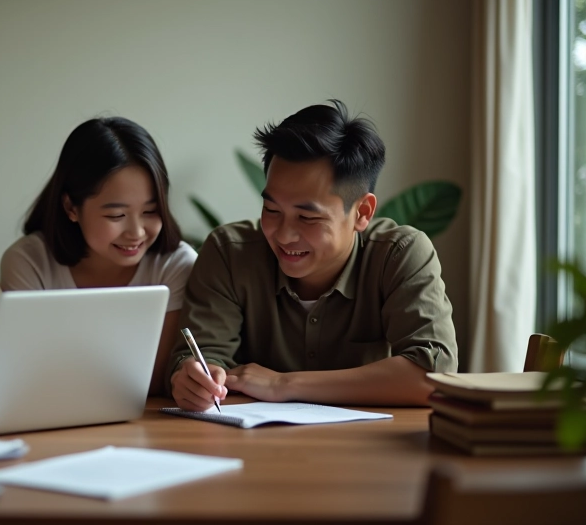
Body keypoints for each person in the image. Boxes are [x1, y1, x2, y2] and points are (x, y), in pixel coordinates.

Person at [169, 100, 458, 411]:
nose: (283, 235)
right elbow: (203, 357)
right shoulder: (230, 253)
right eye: (271, 210)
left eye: (307, 218)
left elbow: (432, 375)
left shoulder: (399, 254)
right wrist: (196, 380)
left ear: (362, 212)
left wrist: (284, 384)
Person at [1, 117, 197, 394]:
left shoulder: (176, 265)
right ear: (71, 207)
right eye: (116, 215)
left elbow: (155, 381)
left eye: (150, 211)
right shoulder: (29, 263)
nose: (136, 232)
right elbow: (28, 376)